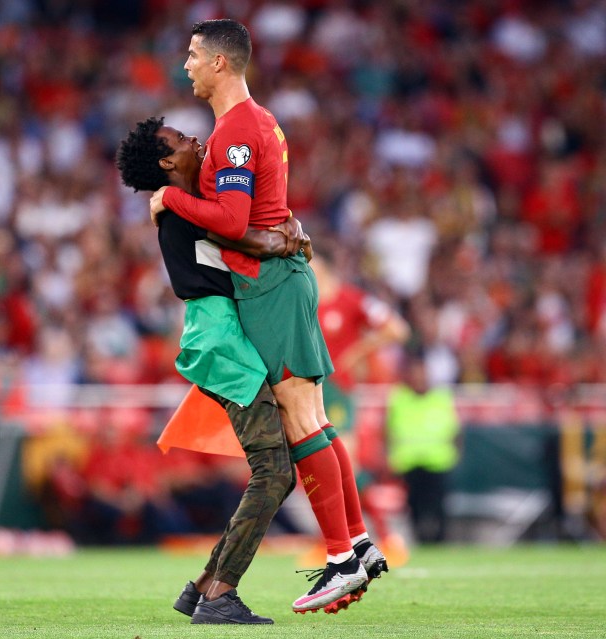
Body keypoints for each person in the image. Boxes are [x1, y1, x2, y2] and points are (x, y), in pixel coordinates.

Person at [149, 19, 380, 613]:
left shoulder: (235, 132)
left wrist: (169, 197)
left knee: (301, 420)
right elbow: (260, 214)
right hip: (280, 279)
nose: (187, 65)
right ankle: (355, 545)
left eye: (195, 55)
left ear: (222, 63)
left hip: (268, 286)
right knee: (314, 417)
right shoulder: (259, 122)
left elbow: (230, 220)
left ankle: (340, 557)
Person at [117, 116, 304, 624]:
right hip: (219, 339)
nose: (194, 139)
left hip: (218, 336)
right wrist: (294, 240)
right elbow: (255, 241)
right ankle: (220, 596)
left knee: (278, 473)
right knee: (273, 471)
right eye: (179, 140)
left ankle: (202, 585)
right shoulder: (189, 213)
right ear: (166, 163)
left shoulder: (183, 207)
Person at [312, 243, 411, 563]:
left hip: (337, 390)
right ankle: (347, 541)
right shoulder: (302, 303)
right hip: (308, 391)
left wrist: (357, 352)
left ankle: (380, 536)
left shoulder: (351, 300)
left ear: (323, 267)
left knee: (343, 465)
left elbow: (397, 329)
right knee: (320, 467)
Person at [386, 353, 461, 543]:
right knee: (414, 507)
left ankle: (441, 542)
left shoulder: (441, 398)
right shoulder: (399, 399)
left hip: (438, 462)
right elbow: (387, 432)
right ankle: (420, 542)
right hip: (409, 463)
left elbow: (456, 431)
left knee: (439, 508)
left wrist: (455, 457)